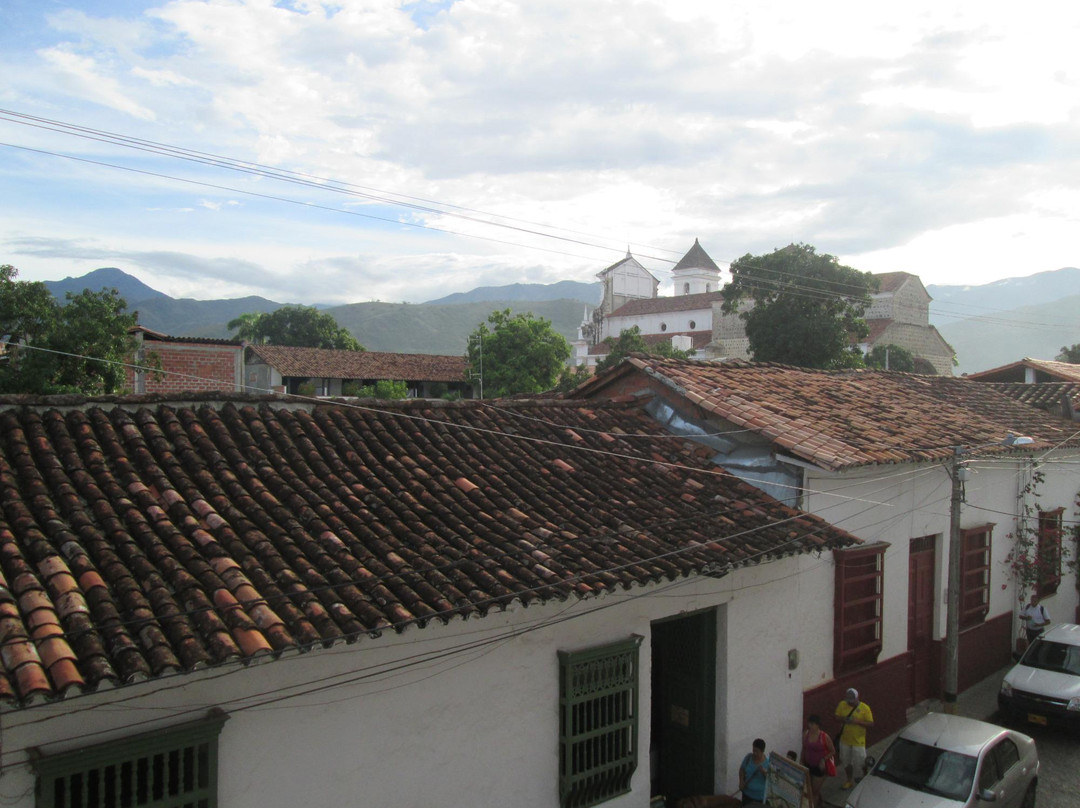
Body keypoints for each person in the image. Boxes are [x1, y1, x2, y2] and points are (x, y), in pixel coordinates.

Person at [835, 688, 873, 790]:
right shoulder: (842, 705)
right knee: (846, 761)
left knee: (862, 761)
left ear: (857, 698)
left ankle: (865, 776)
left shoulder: (865, 708)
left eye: (852, 701)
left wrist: (857, 722)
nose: (850, 703)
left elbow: (870, 723)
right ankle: (849, 780)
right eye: (849, 701)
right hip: (845, 740)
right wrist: (844, 719)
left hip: (858, 741)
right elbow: (836, 717)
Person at [800, 714, 835, 808]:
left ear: (817, 725)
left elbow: (832, 751)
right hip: (808, 765)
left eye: (812, 724)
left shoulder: (824, 737)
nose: (810, 726)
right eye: (809, 724)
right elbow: (804, 748)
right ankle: (820, 803)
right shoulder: (806, 734)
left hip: (819, 767)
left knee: (814, 792)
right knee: (808, 788)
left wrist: (824, 759)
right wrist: (801, 761)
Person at [738, 738, 770, 806]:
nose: (754, 753)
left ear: (763, 751)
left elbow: (771, 780)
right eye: (753, 750)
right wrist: (741, 782)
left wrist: (764, 772)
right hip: (747, 795)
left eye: (757, 751)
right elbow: (742, 770)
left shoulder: (768, 763)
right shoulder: (748, 757)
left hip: (760, 798)